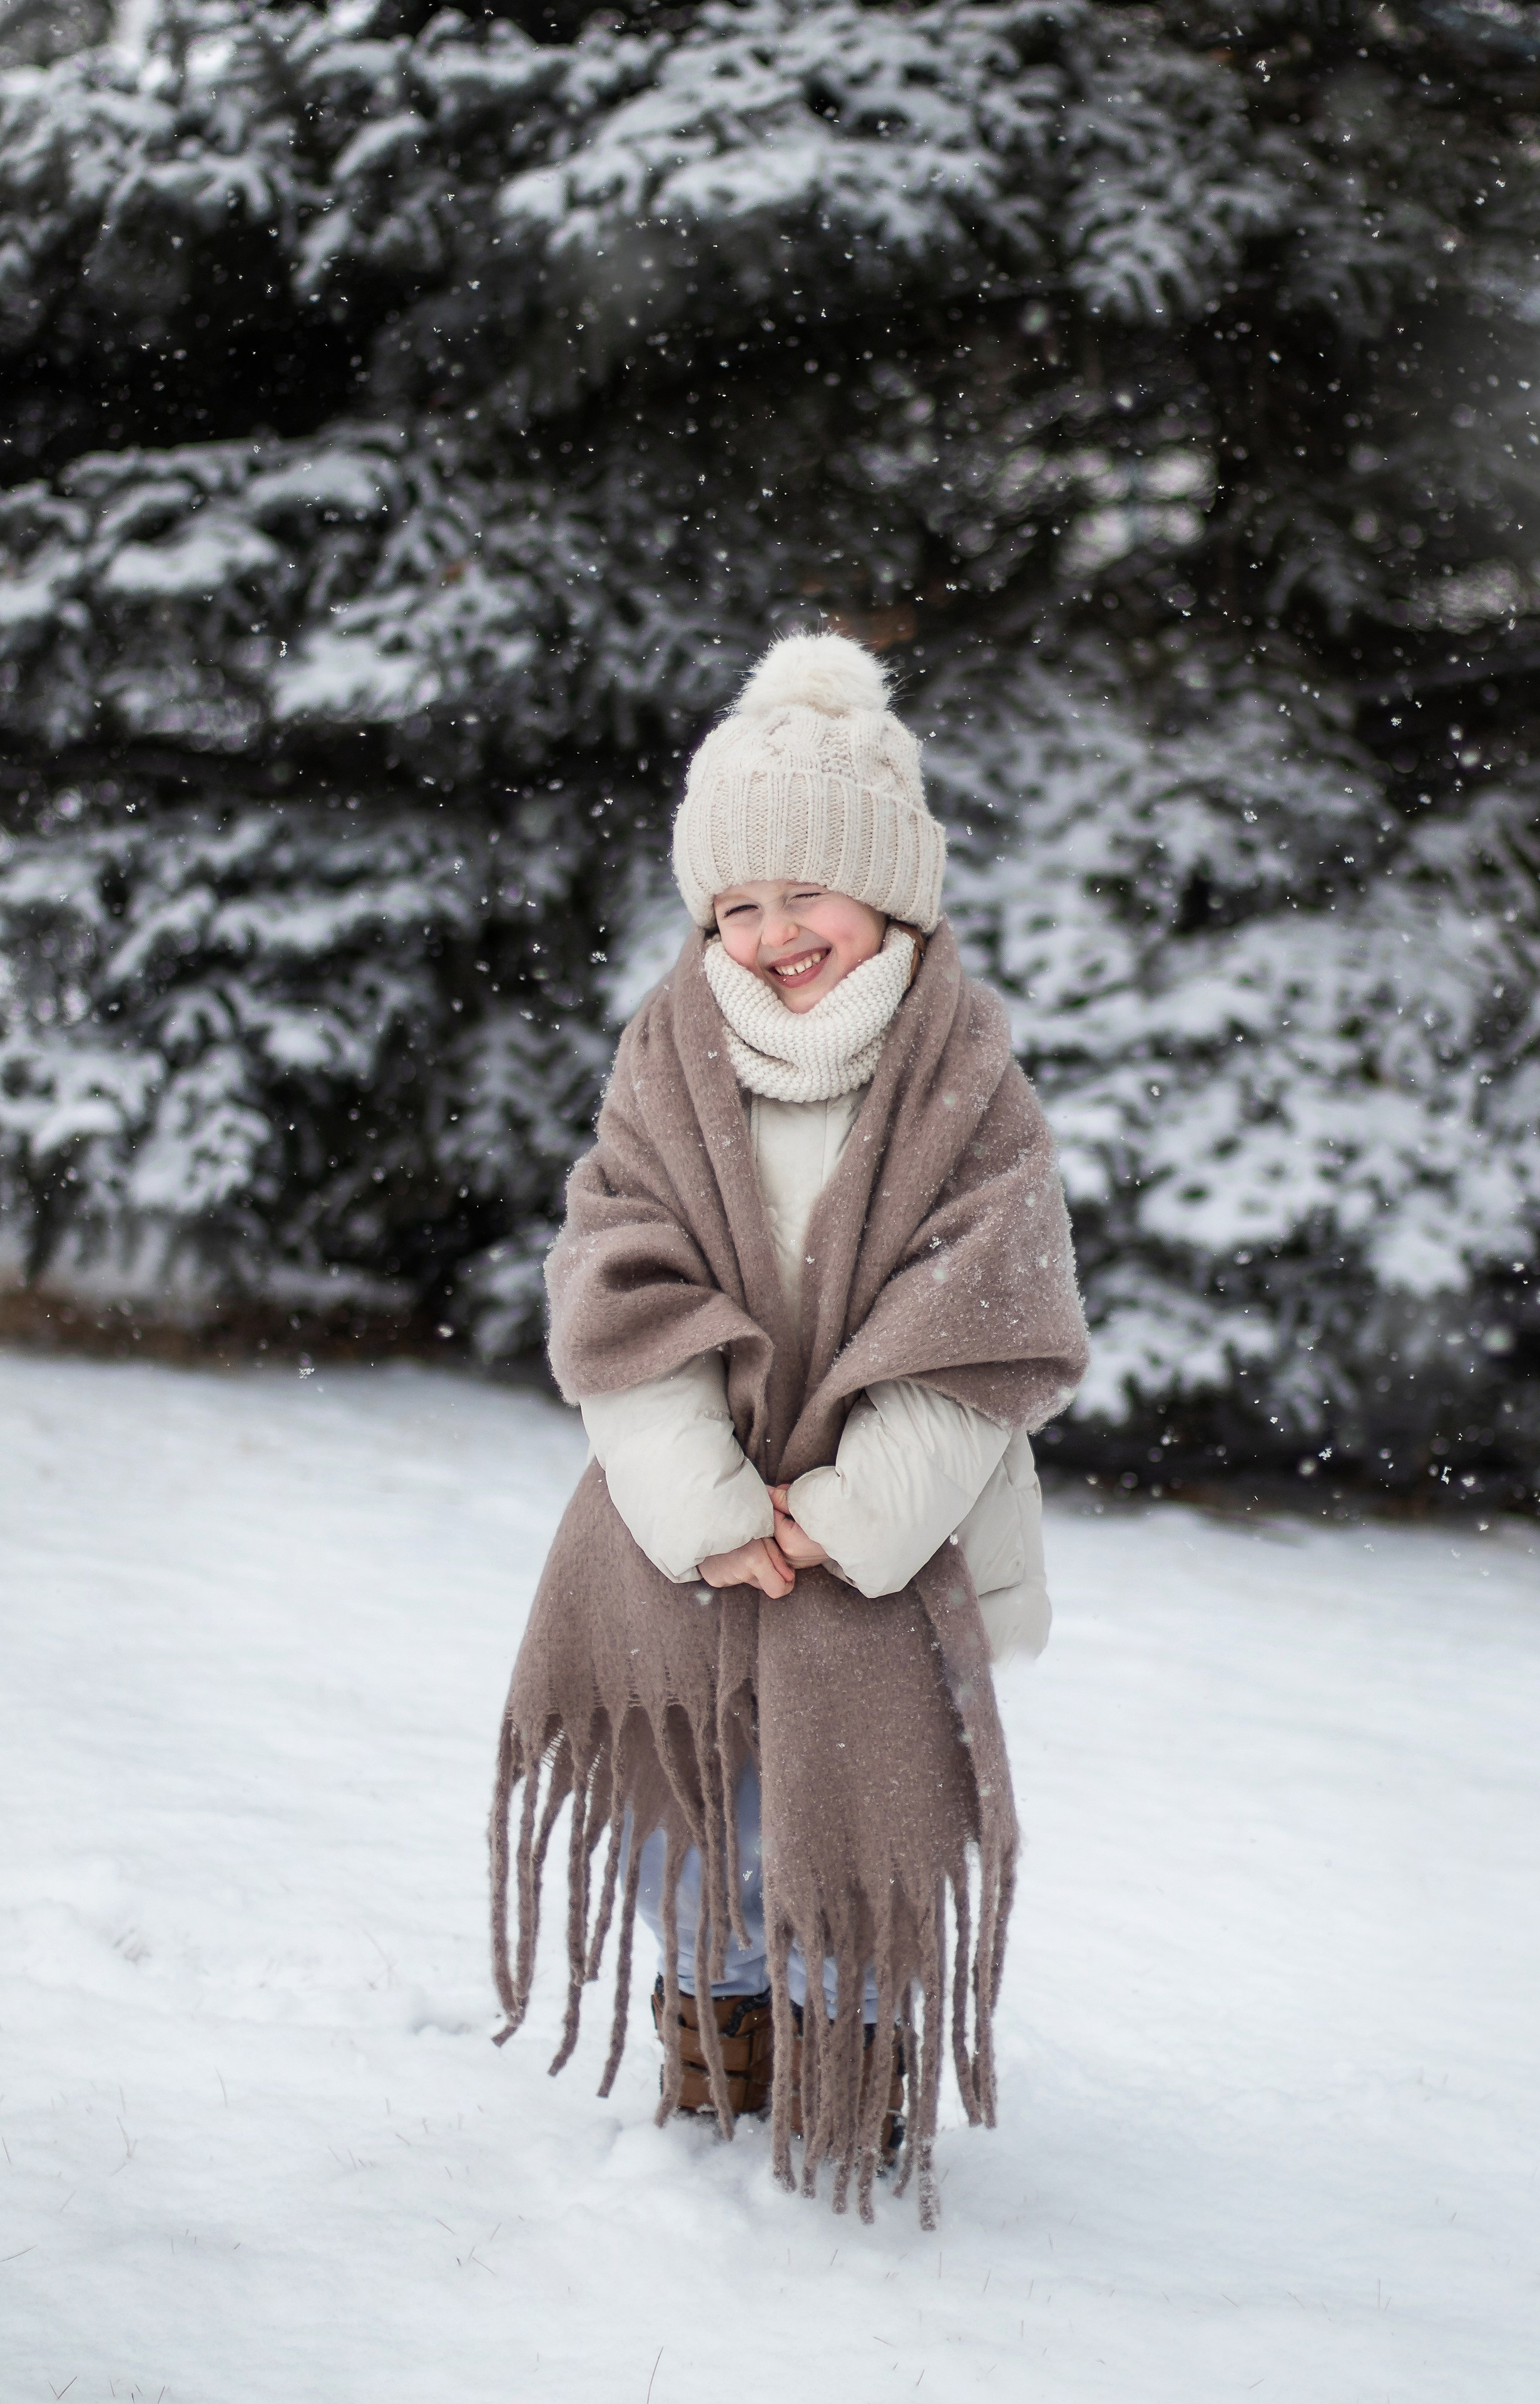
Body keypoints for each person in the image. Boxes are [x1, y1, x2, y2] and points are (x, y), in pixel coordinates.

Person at [491, 631, 1088, 2227]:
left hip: (887, 1535)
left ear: (886, 893)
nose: (769, 936)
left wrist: (845, 1509)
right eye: (734, 906)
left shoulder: (965, 1080)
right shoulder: (668, 1058)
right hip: (684, 1523)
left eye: (803, 894)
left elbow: (984, 1317)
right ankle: (720, 2027)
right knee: (697, 1809)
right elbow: (618, 1277)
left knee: (854, 1801)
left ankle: (852, 2054)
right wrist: (703, 1499)